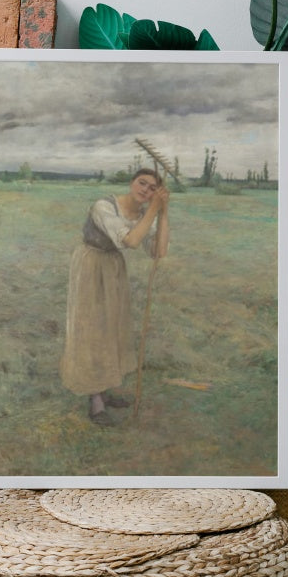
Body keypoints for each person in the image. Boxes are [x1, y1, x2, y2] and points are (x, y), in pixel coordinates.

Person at [60, 168, 170, 426]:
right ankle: (95, 403)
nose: (145, 190)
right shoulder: (104, 206)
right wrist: (154, 209)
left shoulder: (144, 214)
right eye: (142, 183)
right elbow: (130, 241)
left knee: (112, 329)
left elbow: (158, 251)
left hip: (112, 268)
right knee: (93, 330)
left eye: (153, 188)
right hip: (90, 266)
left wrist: (163, 214)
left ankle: (104, 390)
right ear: (132, 183)